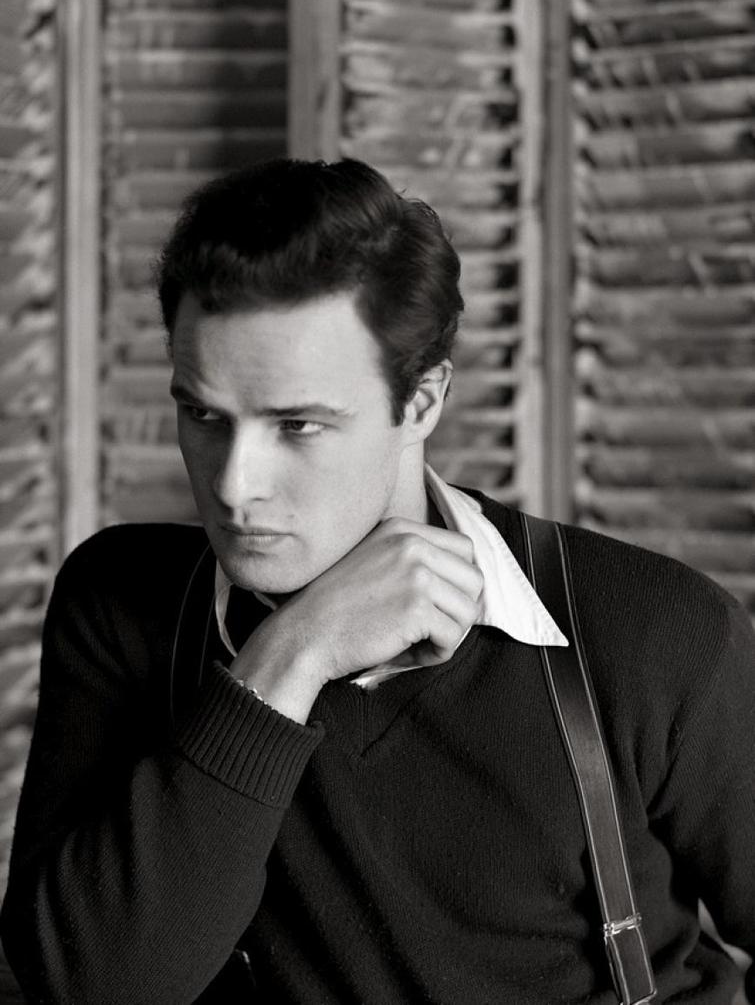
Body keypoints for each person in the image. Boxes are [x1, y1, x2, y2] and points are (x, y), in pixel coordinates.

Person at [1, 158, 753, 1005]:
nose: (235, 484)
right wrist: (291, 656)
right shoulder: (123, 605)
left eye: (297, 424)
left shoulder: (655, 631)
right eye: (203, 414)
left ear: (422, 401)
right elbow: (91, 986)